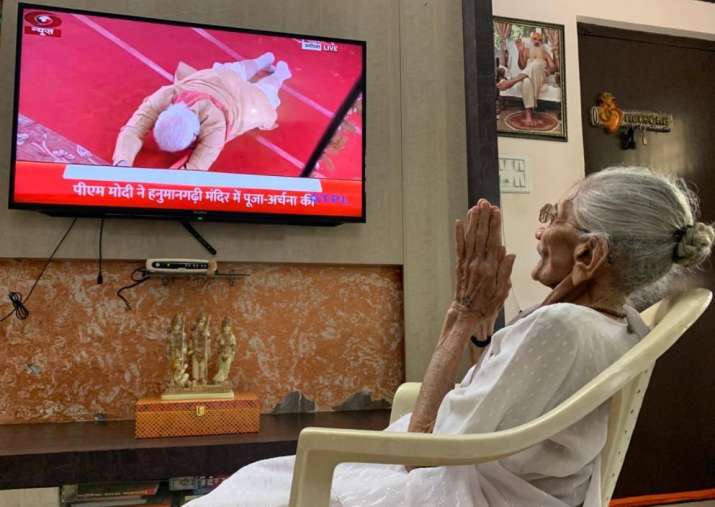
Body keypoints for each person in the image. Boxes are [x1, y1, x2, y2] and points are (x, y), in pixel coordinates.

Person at [185, 167, 714, 507]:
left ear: (588, 256)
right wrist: (492, 332)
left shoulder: (560, 329)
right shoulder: (619, 323)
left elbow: (423, 453)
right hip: (511, 486)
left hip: (461, 492)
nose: (539, 229)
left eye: (556, 217)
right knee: (264, 476)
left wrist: (461, 317)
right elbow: (513, 397)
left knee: (254, 486)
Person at [112, 52, 291, 171]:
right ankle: (264, 60)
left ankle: (281, 73)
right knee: (236, 70)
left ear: (194, 136)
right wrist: (122, 162)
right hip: (216, 78)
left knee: (265, 95)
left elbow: (196, 168)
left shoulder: (216, 127)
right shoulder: (164, 96)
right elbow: (132, 130)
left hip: (240, 102)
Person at [497, 31, 556, 126]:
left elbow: (553, 67)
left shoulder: (544, 53)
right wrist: (520, 52)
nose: (537, 41)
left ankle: (511, 82)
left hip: (540, 75)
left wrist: (549, 70)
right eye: (535, 39)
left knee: (537, 64)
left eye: (540, 40)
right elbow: (522, 66)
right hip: (528, 75)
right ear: (531, 40)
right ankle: (529, 115)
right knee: (526, 81)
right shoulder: (526, 51)